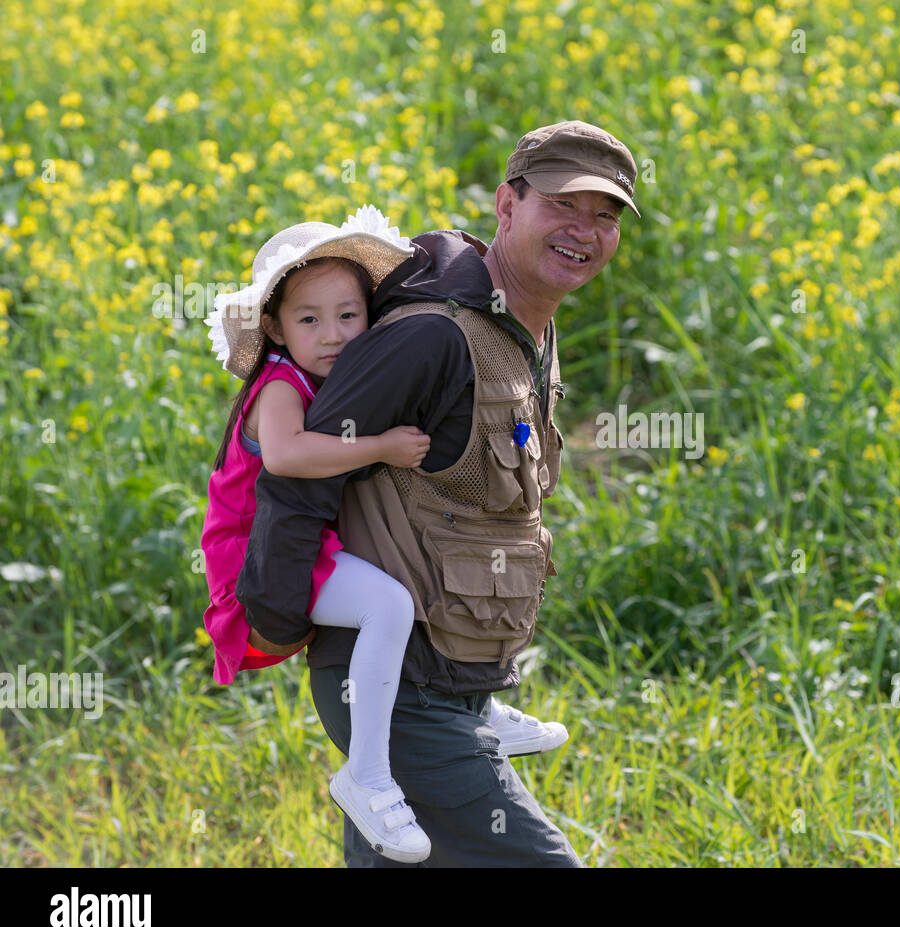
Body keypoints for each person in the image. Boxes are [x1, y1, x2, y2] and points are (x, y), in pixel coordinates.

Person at [235, 120, 640, 867]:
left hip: (459, 683)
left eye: (605, 214)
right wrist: (277, 614)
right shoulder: (431, 337)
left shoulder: (525, 333)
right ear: (507, 204)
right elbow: (296, 476)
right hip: (404, 690)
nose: (586, 230)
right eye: (563, 205)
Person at [200, 206, 567, 864]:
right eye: (309, 319)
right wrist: (385, 445)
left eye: (349, 315)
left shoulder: (328, 375)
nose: (334, 333)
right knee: (391, 602)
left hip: (322, 555)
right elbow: (285, 458)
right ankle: (366, 772)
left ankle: (475, 707)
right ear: (276, 328)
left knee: (394, 591)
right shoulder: (280, 386)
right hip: (249, 555)